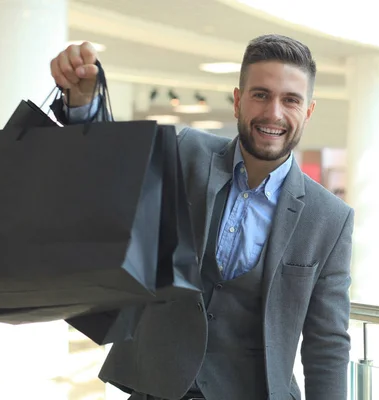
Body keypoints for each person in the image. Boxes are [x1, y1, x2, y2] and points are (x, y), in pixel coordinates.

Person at [50, 34, 354, 400]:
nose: (274, 112)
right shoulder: (186, 152)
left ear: (307, 111)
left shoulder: (330, 218)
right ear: (238, 101)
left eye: (290, 100)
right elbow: (113, 182)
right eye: (260, 94)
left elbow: (327, 344)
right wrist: (84, 105)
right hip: (156, 389)